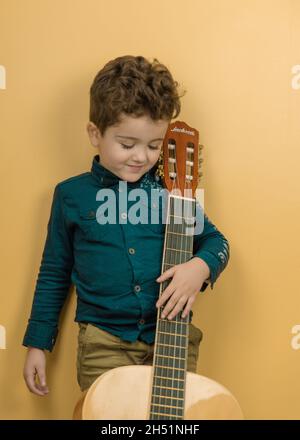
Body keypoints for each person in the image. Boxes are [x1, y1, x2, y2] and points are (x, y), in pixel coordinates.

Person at [22, 55, 230, 399]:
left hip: (170, 341)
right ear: (95, 133)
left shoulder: (172, 192)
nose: (141, 157)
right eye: (127, 144)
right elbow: (54, 274)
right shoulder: (71, 196)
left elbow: (216, 242)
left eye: (153, 145)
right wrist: (37, 344)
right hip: (103, 344)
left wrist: (201, 266)